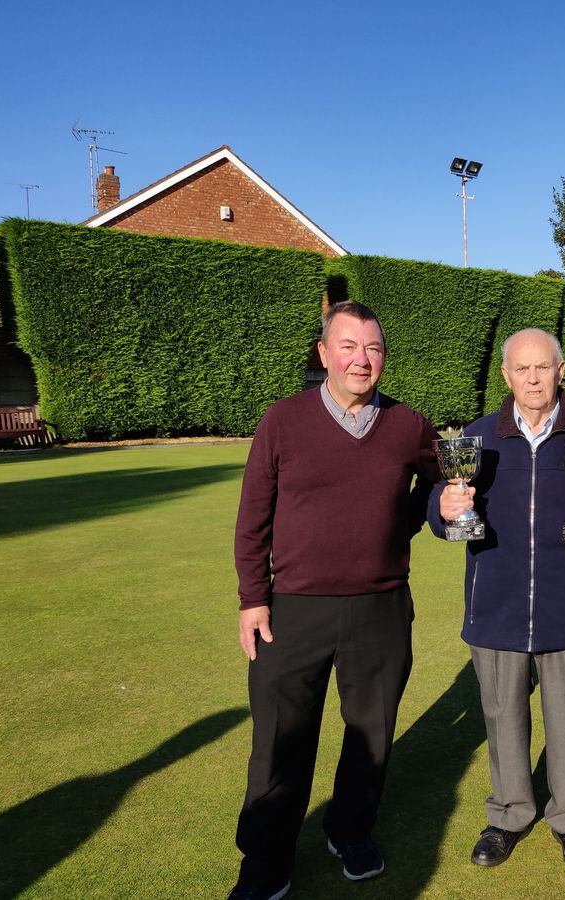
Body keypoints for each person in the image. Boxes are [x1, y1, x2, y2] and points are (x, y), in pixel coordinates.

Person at [229, 301, 441, 900]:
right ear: (323, 354)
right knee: (280, 741)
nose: (361, 359)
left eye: (372, 348)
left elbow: (440, 480)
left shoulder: (408, 424)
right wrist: (252, 598)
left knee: (370, 732)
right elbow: (253, 516)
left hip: (380, 605)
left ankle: (349, 830)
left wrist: (401, 522)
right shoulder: (283, 420)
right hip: (293, 607)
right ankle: (266, 859)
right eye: (348, 346)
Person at [429, 328, 565, 872]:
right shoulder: (476, 439)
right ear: (505, 375)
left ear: (560, 370)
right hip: (496, 607)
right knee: (502, 718)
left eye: (542, 368)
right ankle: (507, 815)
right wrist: (444, 508)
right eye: (521, 369)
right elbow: (439, 507)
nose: (532, 379)